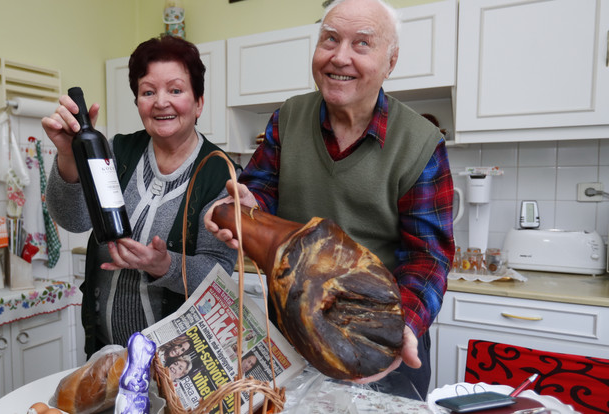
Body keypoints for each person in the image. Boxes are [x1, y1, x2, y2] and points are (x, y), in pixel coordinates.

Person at [205, 0, 454, 399]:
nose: (340, 57)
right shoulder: (287, 118)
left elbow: (428, 257)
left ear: (391, 62)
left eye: (361, 44)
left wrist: (398, 329)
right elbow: (263, 191)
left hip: (374, 342)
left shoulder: (421, 144)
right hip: (288, 336)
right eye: (330, 39)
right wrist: (247, 207)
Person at [43, 34, 240, 358]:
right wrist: (68, 157)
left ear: (199, 102)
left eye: (175, 90)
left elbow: (217, 275)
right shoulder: (117, 150)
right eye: (148, 92)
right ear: (138, 103)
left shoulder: (220, 173)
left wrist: (165, 265)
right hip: (106, 353)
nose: (161, 101)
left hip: (181, 361)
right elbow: (75, 221)